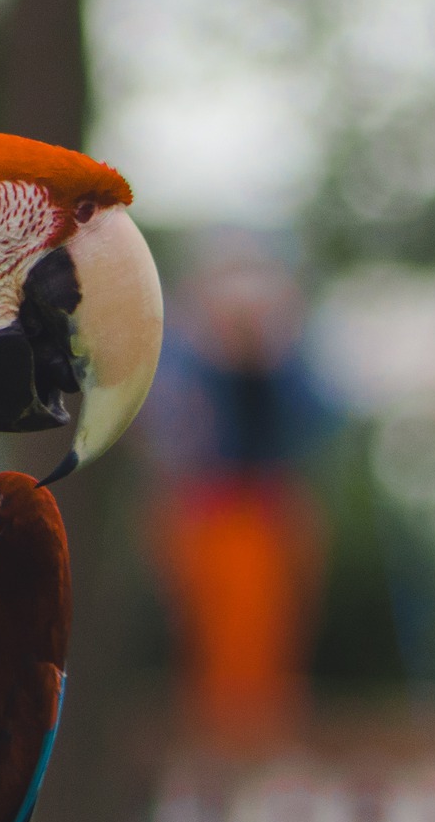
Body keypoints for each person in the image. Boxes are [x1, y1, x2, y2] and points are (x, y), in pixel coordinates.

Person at [139, 232, 339, 757]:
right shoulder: (184, 351)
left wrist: (272, 353)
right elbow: (171, 436)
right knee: (208, 651)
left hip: (272, 509)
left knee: (274, 649)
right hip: (209, 508)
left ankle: (264, 753)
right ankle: (215, 756)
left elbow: (318, 422)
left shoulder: (290, 354)